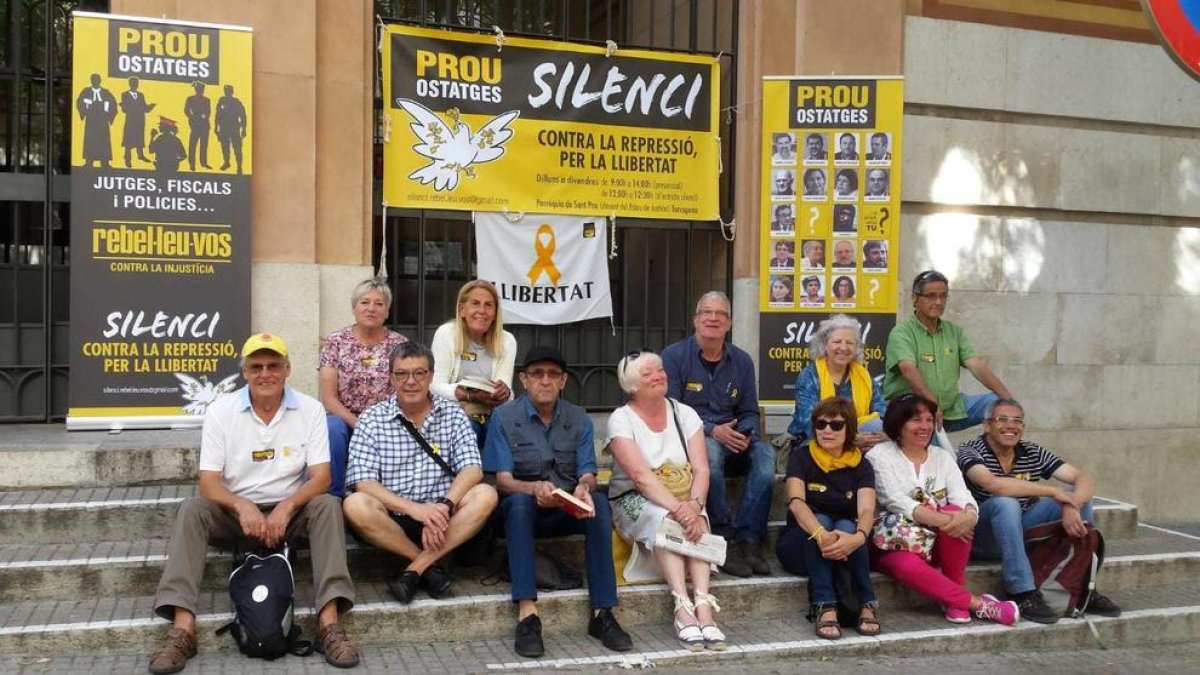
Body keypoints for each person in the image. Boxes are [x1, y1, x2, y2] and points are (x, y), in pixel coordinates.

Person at [148, 333, 359, 673]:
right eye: (256, 366)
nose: (265, 374)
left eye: (273, 365)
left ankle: (329, 623)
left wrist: (287, 507)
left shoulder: (310, 409)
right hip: (235, 515)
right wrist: (241, 506)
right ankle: (182, 628)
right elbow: (208, 483)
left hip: (288, 514)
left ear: (287, 369)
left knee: (327, 505)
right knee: (191, 509)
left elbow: (320, 477)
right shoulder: (221, 410)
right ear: (244, 372)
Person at [483, 346, 632, 658]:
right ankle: (527, 614)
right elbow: (503, 481)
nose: (545, 381)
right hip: (522, 508)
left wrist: (583, 487)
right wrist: (534, 487)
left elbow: (589, 472)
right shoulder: (503, 417)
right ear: (524, 380)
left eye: (553, 374)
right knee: (520, 504)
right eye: (537, 374)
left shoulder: (579, 418)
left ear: (563, 381)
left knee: (599, 505)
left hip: (565, 508)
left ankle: (602, 612)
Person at [342, 342, 498, 605]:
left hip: (445, 518)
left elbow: (472, 469)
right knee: (355, 504)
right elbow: (363, 483)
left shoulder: (454, 415)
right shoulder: (371, 419)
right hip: (393, 518)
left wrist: (445, 506)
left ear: (431, 376)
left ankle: (416, 568)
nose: (410, 381)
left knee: (485, 493)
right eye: (402, 374)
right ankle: (430, 568)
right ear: (391, 378)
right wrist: (416, 510)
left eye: (419, 373)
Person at [957, 398, 1121, 623]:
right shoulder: (970, 450)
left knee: (1078, 495)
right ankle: (1021, 591)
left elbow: (1082, 477)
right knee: (1005, 503)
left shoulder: (1031, 451)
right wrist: (1053, 493)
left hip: (1018, 530)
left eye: (1017, 421)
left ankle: (1081, 584)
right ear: (986, 426)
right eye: (1002, 419)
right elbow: (994, 485)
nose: (1010, 426)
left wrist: (1072, 504)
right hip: (981, 537)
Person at [607, 350, 726, 651]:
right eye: (648, 374)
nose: (658, 376)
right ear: (631, 384)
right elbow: (640, 476)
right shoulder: (621, 419)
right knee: (665, 518)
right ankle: (681, 606)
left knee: (697, 519)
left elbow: (701, 468)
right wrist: (679, 510)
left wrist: (695, 506)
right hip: (633, 498)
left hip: (686, 495)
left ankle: (703, 604)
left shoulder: (684, 413)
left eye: (660, 370)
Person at [869, 394, 1020, 626]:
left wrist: (969, 515)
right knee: (906, 564)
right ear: (898, 424)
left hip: (937, 542)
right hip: (894, 543)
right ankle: (976, 604)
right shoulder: (879, 455)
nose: (925, 427)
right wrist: (946, 519)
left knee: (955, 509)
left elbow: (963, 495)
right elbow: (895, 500)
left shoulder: (942, 457)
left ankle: (954, 590)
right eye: (916, 420)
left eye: (929, 420)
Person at [661, 292, 774, 579]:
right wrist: (713, 429)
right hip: (694, 441)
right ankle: (723, 535)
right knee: (709, 452)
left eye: (720, 314)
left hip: (735, 439)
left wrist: (744, 432)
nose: (713, 318)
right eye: (706, 313)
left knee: (766, 456)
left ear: (729, 322)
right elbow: (671, 410)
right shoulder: (673, 357)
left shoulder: (743, 361)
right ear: (695, 320)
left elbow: (749, 410)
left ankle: (749, 539)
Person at [776, 398, 879, 639]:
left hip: (846, 545)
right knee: (822, 520)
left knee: (846, 524)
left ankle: (866, 602)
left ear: (849, 428)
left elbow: (866, 511)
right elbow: (796, 502)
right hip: (802, 542)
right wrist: (821, 535)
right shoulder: (801, 457)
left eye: (836, 425)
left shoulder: (861, 465)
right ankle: (826, 604)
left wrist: (858, 538)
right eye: (821, 424)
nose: (827, 431)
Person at [883, 270, 1014, 435]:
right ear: (915, 299)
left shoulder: (954, 332)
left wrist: (1010, 400)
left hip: (952, 408)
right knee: (931, 445)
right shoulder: (901, 332)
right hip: (913, 412)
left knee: (1001, 406)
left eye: (943, 296)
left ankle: (998, 458)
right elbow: (908, 370)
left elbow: (977, 367)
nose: (938, 302)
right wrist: (932, 406)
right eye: (931, 296)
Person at [319, 278, 408, 497]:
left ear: (387, 311)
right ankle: (335, 497)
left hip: (386, 419)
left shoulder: (399, 345)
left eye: (379, 304)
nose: (371, 308)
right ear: (353, 308)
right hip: (346, 420)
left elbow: (406, 390)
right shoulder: (336, 342)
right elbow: (328, 397)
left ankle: (391, 497)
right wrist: (358, 423)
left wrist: (377, 423)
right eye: (364, 302)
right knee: (331, 429)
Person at [430, 280, 516, 444]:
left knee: (503, 432)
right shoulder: (446, 333)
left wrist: (504, 392)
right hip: (454, 413)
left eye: (488, 305)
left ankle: (500, 470)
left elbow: (507, 392)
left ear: (495, 312)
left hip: (492, 414)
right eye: (475, 304)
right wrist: (469, 395)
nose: (482, 311)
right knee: (467, 429)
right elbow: (434, 386)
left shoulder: (507, 340)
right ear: (462, 309)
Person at [787, 314, 886, 448]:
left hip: (862, 440)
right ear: (824, 345)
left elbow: (882, 412)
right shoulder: (809, 376)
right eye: (837, 342)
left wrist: (881, 435)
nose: (843, 348)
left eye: (849, 343)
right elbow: (808, 423)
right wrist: (848, 439)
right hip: (816, 441)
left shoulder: (863, 375)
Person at [76, 73, 117, 168]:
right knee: (90, 140)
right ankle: (89, 160)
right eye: (93, 79)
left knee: (103, 140)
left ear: (100, 81)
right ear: (91, 81)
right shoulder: (86, 92)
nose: (95, 81)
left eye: (97, 79)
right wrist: (85, 111)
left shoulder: (106, 93)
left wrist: (109, 116)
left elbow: (113, 104)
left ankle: (105, 161)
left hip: (102, 120)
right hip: (91, 120)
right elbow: (80, 102)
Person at [120, 77, 155, 167]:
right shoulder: (125, 94)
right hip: (131, 120)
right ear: (130, 84)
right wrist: (136, 108)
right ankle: (127, 158)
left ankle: (140, 155)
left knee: (139, 137)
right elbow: (125, 109)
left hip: (140, 120)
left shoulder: (141, 95)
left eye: (136, 83)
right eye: (134, 83)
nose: (135, 85)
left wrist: (150, 107)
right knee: (128, 140)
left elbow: (145, 108)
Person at [215, 84, 247, 173]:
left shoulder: (236, 102)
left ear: (232, 92)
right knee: (225, 147)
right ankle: (226, 162)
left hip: (234, 128)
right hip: (224, 128)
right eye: (225, 91)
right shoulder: (221, 101)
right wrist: (216, 127)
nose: (227, 93)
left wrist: (244, 128)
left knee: (237, 148)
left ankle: (239, 166)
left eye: (228, 91)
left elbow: (243, 115)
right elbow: (217, 115)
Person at [184, 81, 212, 171]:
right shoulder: (190, 99)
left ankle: (203, 163)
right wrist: (191, 117)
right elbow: (186, 110)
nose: (201, 91)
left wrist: (204, 116)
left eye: (202, 89)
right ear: (197, 89)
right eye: (200, 89)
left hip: (204, 125)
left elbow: (208, 112)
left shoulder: (207, 100)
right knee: (192, 145)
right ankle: (192, 164)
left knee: (204, 145)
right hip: (195, 124)